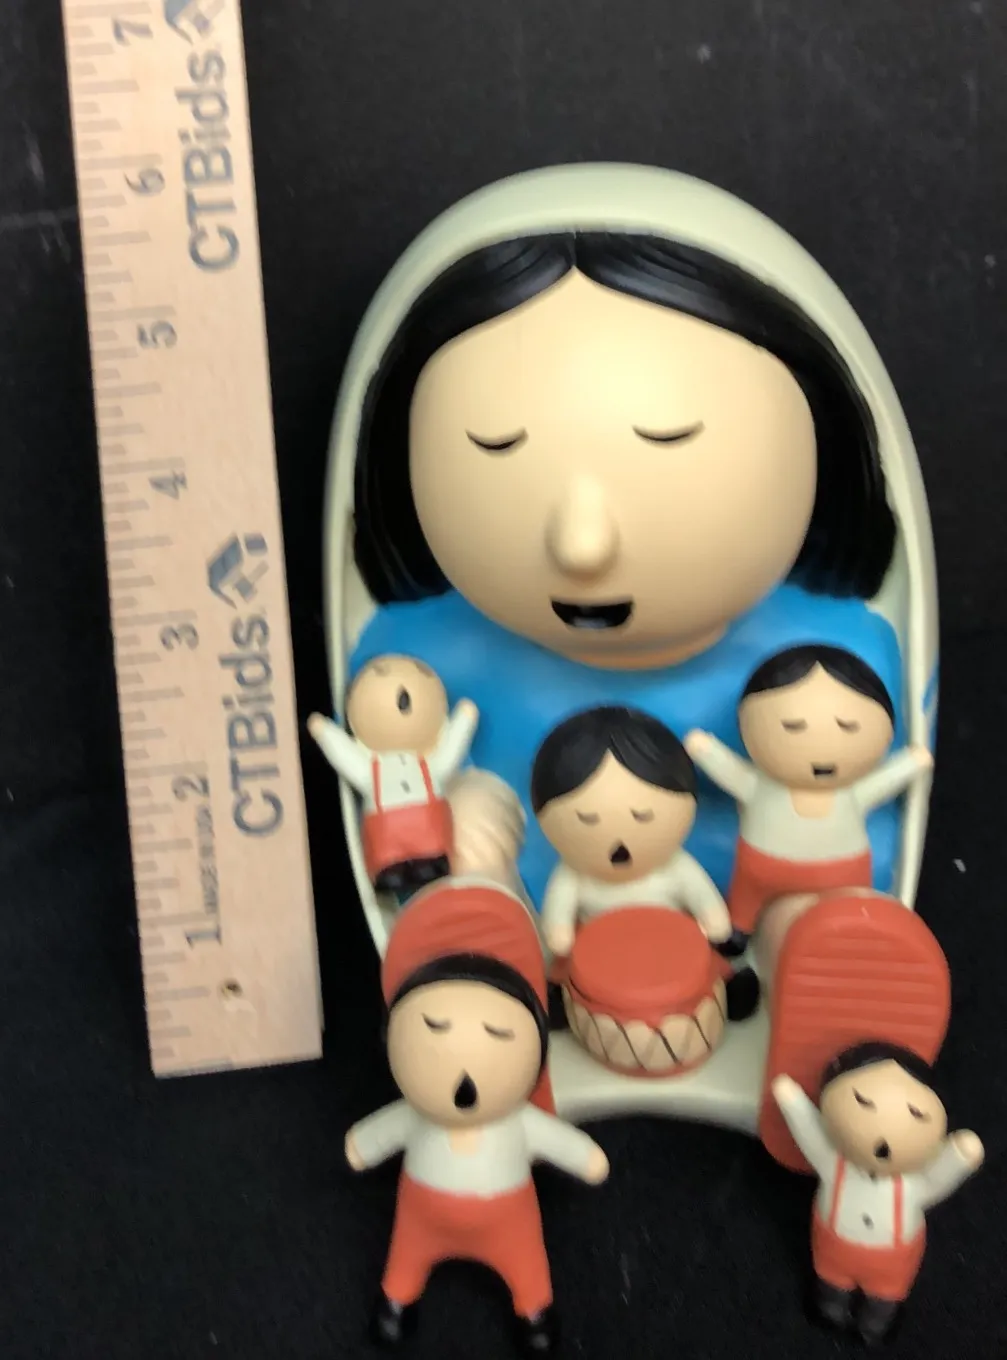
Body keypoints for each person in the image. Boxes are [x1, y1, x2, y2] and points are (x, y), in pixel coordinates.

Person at [346, 878, 609, 1355]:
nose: (463, 1079)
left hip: (509, 1222)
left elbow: (563, 1144)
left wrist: (585, 1157)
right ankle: (396, 1301)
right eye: (434, 1030)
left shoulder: (520, 1119)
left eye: (497, 1034)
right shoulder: (416, 1114)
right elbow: (381, 1133)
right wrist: (362, 1146)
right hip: (421, 1217)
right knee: (406, 1258)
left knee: (526, 1264)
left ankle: (534, 1310)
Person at [685, 645, 931, 941]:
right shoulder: (759, 786)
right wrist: (707, 751)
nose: (821, 749)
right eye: (793, 726)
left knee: (849, 909)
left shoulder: (851, 794)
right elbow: (732, 772)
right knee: (746, 904)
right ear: (744, 726)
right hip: (762, 870)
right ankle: (741, 929)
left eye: (847, 726)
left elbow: (883, 781)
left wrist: (909, 764)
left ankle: (852, 930)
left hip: (842, 875)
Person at [532, 705, 759, 1020]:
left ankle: (728, 986)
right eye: (588, 818)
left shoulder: (676, 867)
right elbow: (559, 927)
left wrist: (714, 921)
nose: (619, 843)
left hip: (672, 937)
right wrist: (560, 933)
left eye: (642, 816)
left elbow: (703, 900)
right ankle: (561, 995)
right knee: (569, 964)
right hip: (596, 943)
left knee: (703, 957)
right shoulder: (573, 874)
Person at [772, 1044, 984, 1344]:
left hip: (891, 1261)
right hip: (834, 1248)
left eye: (916, 1114)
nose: (882, 1139)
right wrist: (792, 1102)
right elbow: (811, 1134)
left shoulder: (912, 1183)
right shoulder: (834, 1163)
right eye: (863, 1102)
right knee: (831, 1284)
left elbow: (936, 1179)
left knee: (884, 1299)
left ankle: (875, 1324)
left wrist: (959, 1157)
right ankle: (831, 1307)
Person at [308, 655, 477, 893]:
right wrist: (326, 733)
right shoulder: (369, 770)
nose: (402, 697)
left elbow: (451, 751)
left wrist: (463, 721)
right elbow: (345, 755)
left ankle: (430, 865)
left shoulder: (431, 765)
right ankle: (391, 871)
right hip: (387, 835)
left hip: (429, 831)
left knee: (432, 857)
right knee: (388, 859)